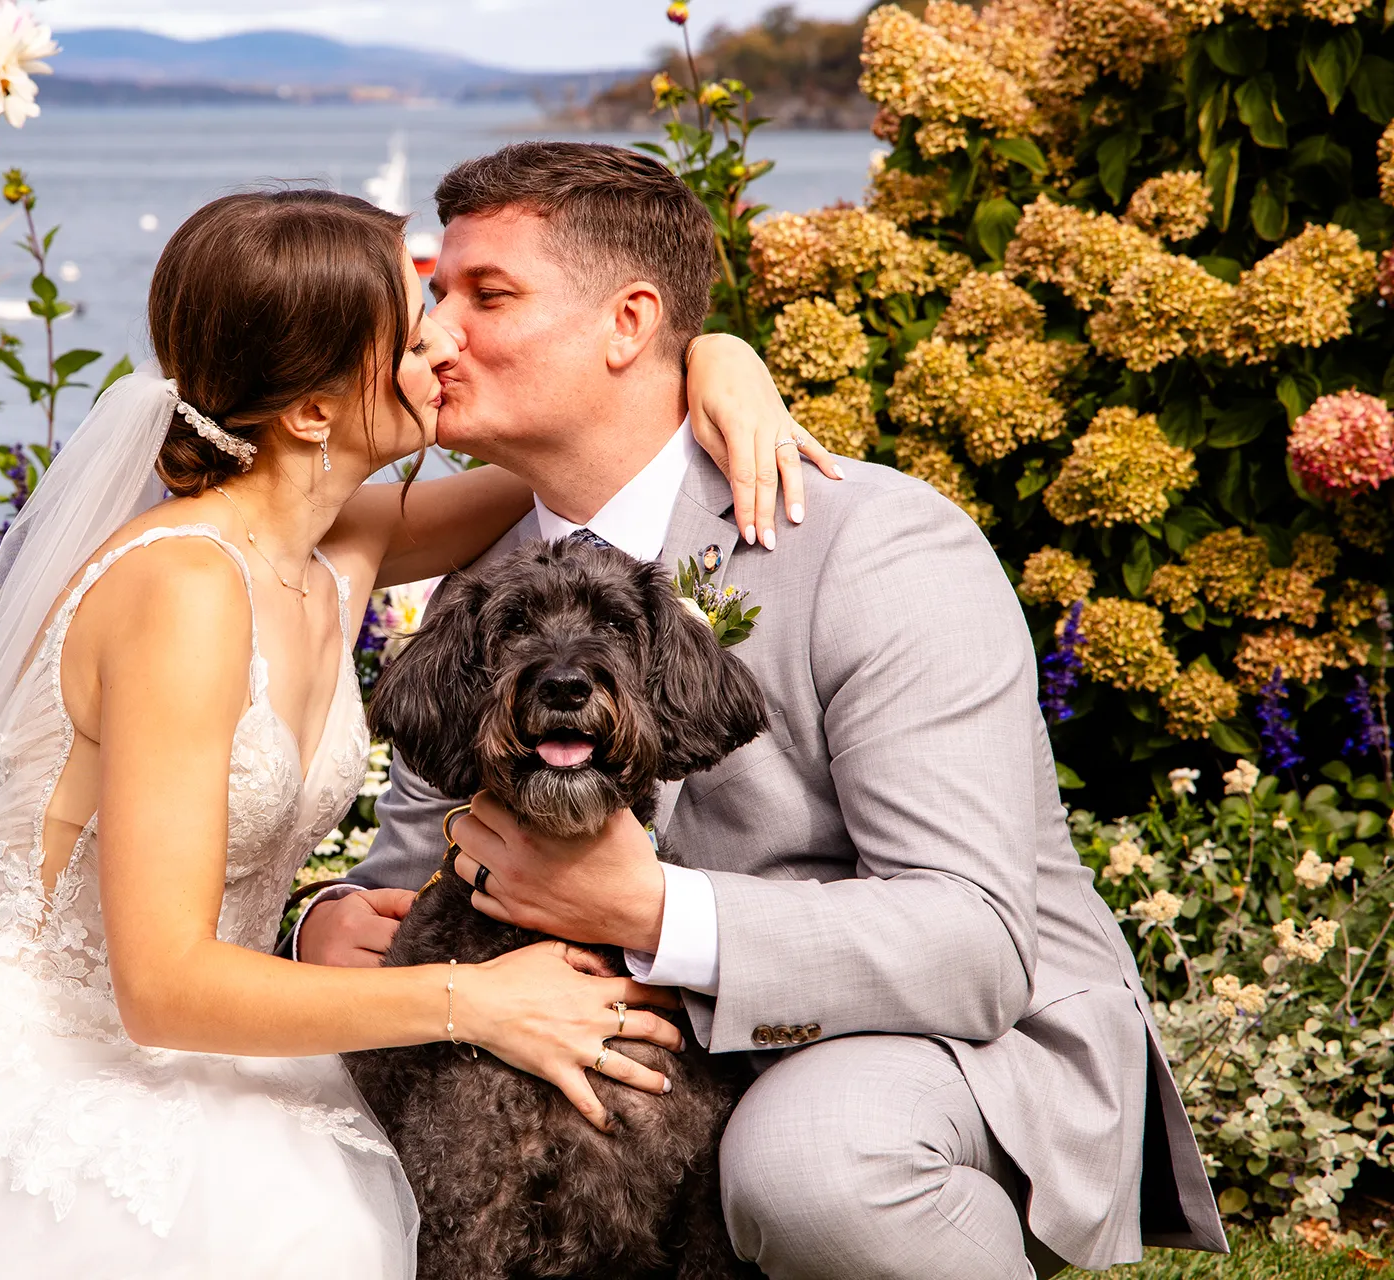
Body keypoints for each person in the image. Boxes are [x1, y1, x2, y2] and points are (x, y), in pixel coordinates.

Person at [0, 187, 817, 1279]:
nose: (447, 351)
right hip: (72, 1061)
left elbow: (570, 449)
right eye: (413, 333)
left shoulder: (337, 538)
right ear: (308, 409)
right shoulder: (183, 592)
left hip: (230, 1041)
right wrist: (482, 998)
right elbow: (159, 987)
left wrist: (711, 356)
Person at [292, 142, 1230, 1279]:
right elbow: (420, 864)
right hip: (633, 1044)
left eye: (488, 295)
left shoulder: (874, 541)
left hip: (929, 1033)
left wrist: (651, 909)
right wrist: (329, 921)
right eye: (438, 296)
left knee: (812, 1160)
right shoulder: (487, 571)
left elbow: (976, 944)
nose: (437, 335)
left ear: (631, 323)